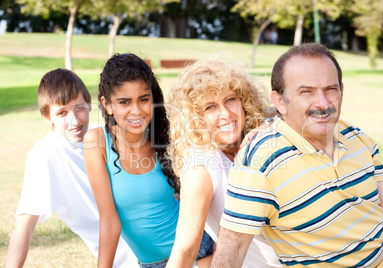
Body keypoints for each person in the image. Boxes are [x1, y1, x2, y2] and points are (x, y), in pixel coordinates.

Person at [211, 43, 383, 267]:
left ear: (341, 90)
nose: (322, 103)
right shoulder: (261, 159)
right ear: (280, 101)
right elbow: (232, 249)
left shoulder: (355, 136)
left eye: (330, 89)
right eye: (306, 91)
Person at [84, 53, 214, 268]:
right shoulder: (97, 142)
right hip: (154, 264)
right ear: (107, 105)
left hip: (198, 250)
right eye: (124, 102)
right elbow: (110, 222)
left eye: (143, 99)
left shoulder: (167, 137)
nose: (136, 111)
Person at [5, 68, 138, 268]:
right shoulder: (44, 155)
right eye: (62, 113)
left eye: (79, 108)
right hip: (121, 261)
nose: (75, 120)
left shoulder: (109, 135)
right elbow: (24, 224)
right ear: (46, 116)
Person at [165, 58, 281, 268]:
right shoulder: (201, 165)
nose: (225, 114)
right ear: (196, 118)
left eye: (230, 100)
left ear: (244, 101)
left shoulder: (259, 139)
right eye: (210, 107)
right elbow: (185, 249)